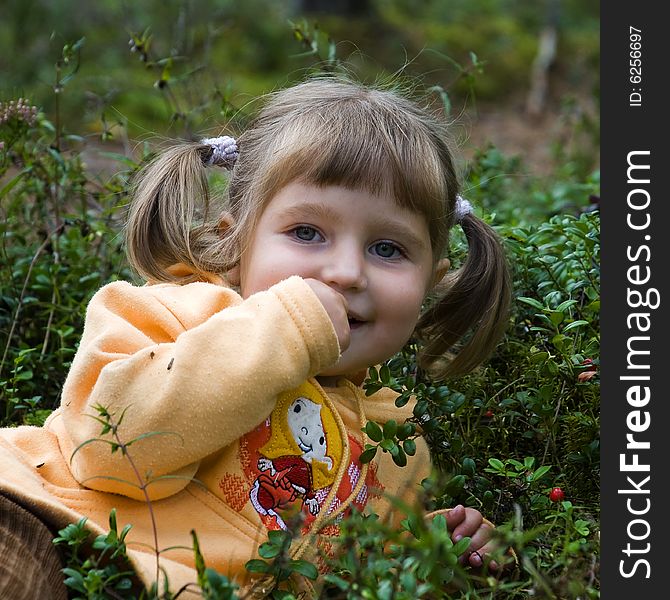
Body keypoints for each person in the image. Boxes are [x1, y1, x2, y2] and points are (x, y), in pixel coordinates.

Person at [0, 77, 511, 599]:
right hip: (42, 518)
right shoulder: (177, 313)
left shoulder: (397, 441)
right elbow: (108, 450)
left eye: (387, 248)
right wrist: (283, 331)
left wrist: (434, 548)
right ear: (236, 240)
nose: (346, 272)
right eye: (307, 233)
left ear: (430, 280)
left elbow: (359, 568)